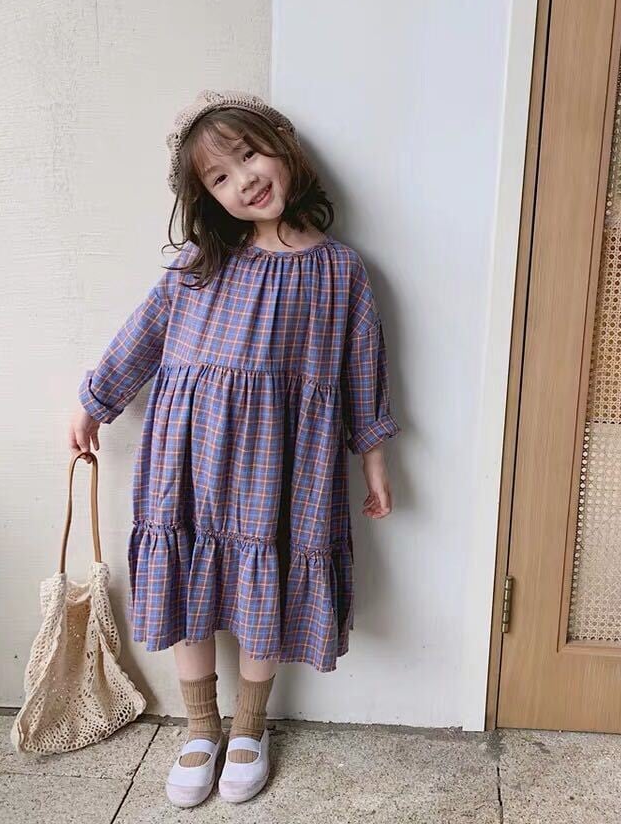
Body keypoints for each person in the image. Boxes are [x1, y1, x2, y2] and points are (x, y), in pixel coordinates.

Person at [67, 89, 400, 807]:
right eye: (220, 176)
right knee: (187, 575)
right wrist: (94, 402)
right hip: (191, 453)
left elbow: (362, 371)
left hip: (284, 464)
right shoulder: (201, 263)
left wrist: (374, 459)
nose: (243, 179)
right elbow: (143, 334)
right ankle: (199, 728)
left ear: (283, 149)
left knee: (263, 582)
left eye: (249, 156)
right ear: (208, 198)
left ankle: (248, 727)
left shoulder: (341, 271)